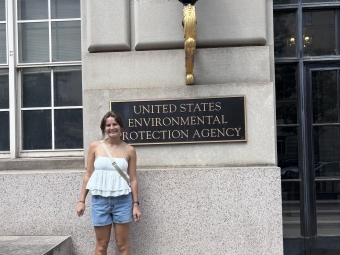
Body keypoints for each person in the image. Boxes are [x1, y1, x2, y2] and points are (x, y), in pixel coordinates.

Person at [76, 111, 141, 255]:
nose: (112, 128)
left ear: (121, 127)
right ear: (104, 128)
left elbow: (133, 179)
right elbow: (88, 174)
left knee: (122, 245)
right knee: (101, 245)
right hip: (100, 200)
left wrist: (136, 204)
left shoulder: (130, 150)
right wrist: (82, 200)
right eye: (108, 125)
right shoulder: (95, 146)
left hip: (123, 201)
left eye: (115, 124)